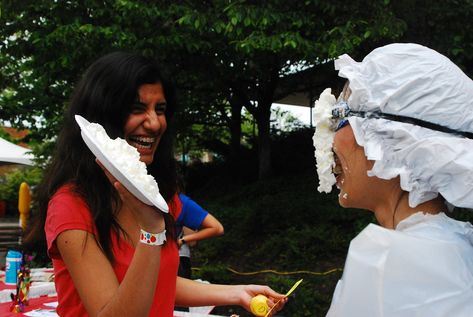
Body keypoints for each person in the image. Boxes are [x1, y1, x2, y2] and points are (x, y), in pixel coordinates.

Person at [25, 52, 287, 317]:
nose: (154, 123)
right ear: (103, 116)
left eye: (160, 110)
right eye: (137, 109)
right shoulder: (71, 205)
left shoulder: (160, 194)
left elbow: (156, 283)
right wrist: (150, 232)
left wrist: (236, 292)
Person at [312, 43, 473, 316]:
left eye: (339, 117)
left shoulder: (393, 263)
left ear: (396, 136)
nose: (329, 142)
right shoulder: (456, 244)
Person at [175, 193, 224, 280]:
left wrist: (182, 240)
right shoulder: (180, 201)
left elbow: (217, 228)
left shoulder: (180, 202)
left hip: (176, 259)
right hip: (175, 258)